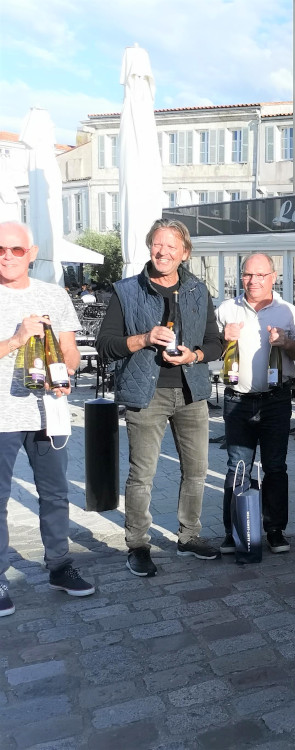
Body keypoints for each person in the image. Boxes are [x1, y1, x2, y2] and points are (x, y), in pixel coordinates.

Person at [96, 218, 224, 577]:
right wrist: (144, 339)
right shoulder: (126, 291)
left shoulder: (198, 290)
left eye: (171, 246)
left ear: (184, 253)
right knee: (142, 475)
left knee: (196, 471)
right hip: (146, 393)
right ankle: (138, 545)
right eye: (157, 243)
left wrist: (194, 355)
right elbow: (105, 346)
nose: (163, 251)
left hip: (191, 392)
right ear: (149, 246)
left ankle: (189, 536)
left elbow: (215, 343)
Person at [0, 221, 95, 616]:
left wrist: (65, 370)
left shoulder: (53, 295)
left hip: (46, 413)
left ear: (32, 254)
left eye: (16, 250)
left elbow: (71, 352)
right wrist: (17, 339)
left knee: (55, 493)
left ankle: (59, 565)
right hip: (2, 417)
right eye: (0, 250)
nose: (7, 256)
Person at [216, 253, 295, 555]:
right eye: (247, 274)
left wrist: (287, 342)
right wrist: (223, 338)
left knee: (275, 467)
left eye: (260, 275)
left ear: (273, 277)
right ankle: (234, 531)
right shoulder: (227, 309)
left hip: (275, 400)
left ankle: (274, 530)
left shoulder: (289, 312)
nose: (253, 281)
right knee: (237, 467)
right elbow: (210, 350)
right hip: (237, 399)